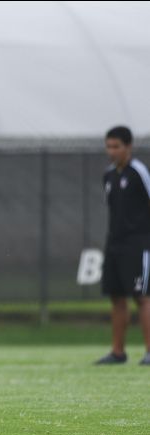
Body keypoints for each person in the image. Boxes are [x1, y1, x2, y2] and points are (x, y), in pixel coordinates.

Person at [96, 126, 150, 365]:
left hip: (138, 244)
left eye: (116, 146)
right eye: (108, 146)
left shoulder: (140, 173)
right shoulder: (109, 175)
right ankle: (118, 352)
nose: (111, 151)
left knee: (143, 297)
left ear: (128, 147)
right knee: (117, 297)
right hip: (114, 244)